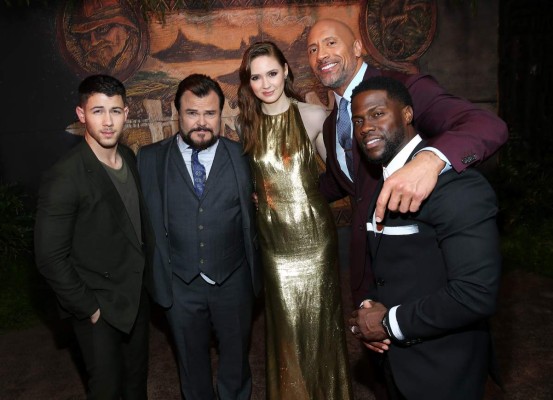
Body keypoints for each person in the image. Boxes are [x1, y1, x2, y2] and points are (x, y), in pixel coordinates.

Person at [306, 19, 509, 306]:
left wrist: (429, 161)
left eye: (330, 43)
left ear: (358, 47)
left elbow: (486, 125)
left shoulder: (406, 88)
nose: (321, 55)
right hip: (370, 275)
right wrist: (278, 194)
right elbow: (344, 182)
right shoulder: (332, 124)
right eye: (312, 49)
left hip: (424, 276)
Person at [348, 76, 501, 399]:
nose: (365, 128)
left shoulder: (457, 186)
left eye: (378, 114)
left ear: (406, 114)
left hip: (445, 369)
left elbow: (475, 294)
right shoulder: (383, 178)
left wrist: (388, 323)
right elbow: (391, 266)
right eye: (358, 120)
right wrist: (368, 306)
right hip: (398, 366)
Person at [236, 41, 353, 399]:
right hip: (274, 245)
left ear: (286, 70)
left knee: (320, 326)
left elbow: (340, 176)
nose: (265, 84)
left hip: (314, 240)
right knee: (285, 329)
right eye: (256, 77)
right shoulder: (247, 125)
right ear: (249, 82)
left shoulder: (313, 116)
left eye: (271, 73)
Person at [137, 74, 261, 400]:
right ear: (178, 112)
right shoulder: (149, 160)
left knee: (236, 364)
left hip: (233, 281)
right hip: (179, 285)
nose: (201, 123)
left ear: (222, 115)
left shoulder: (244, 157)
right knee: (191, 368)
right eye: (192, 113)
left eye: (210, 113)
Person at [34, 74, 155, 400]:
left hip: (133, 299)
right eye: (98, 111)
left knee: (135, 386)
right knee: (107, 391)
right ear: (81, 114)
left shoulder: (129, 158)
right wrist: (90, 308)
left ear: (127, 114)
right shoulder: (65, 176)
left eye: (115, 111)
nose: (107, 121)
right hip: (98, 306)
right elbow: (49, 256)